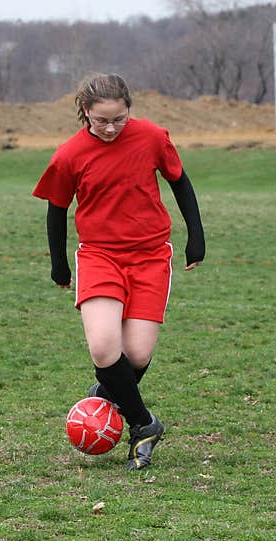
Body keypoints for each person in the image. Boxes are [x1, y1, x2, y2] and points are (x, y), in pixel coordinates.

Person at [32, 72, 205, 470]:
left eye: (119, 119)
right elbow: (56, 210)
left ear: (130, 110)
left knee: (138, 355)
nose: (111, 128)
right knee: (104, 348)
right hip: (99, 256)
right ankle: (144, 424)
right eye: (101, 121)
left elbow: (180, 182)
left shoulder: (152, 137)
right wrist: (59, 263)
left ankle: (108, 399)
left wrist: (196, 236)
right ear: (85, 113)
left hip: (149, 256)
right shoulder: (69, 155)